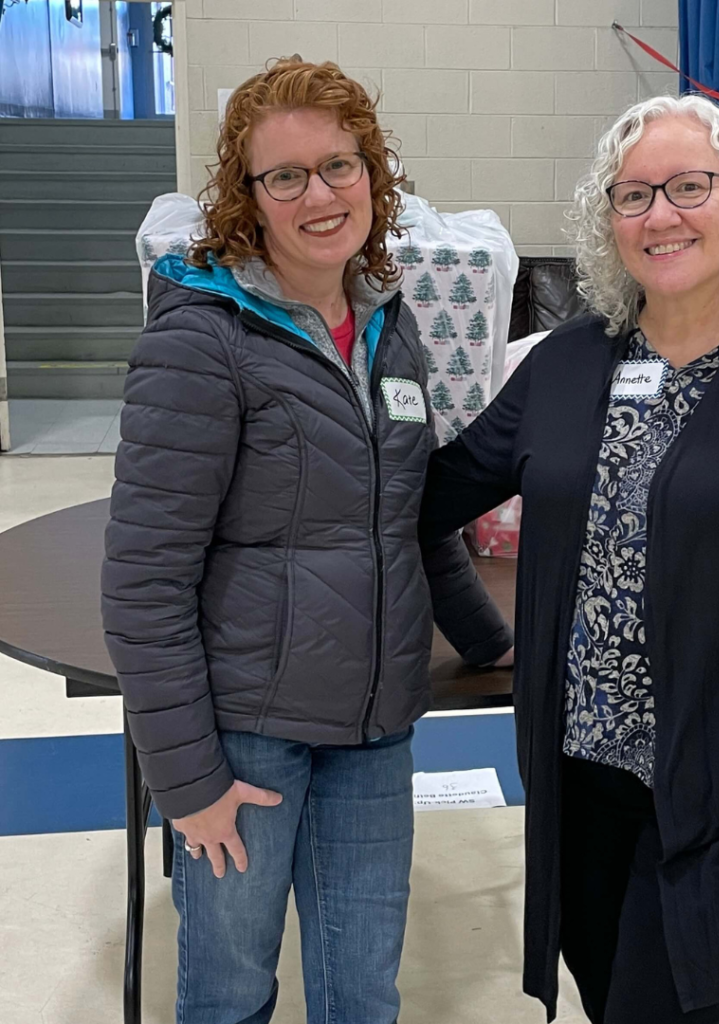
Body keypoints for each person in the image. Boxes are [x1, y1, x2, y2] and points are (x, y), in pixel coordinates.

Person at [420, 93, 719, 1024]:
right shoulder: (567, 364)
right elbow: (428, 494)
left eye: (690, 186)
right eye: (633, 195)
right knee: (609, 992)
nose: (662, 214)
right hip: (578, 780)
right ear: (608, 223)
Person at [101, 58, 511, 1024]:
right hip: (249, 735)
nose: (319, 194)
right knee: (232, 991)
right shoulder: (200, 340)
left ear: (373, 171)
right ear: (247, 199)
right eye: (285, 176)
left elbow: (411, 515)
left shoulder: (385, 324)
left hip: (373, 726)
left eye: (339, 165)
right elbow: (144, 584)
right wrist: (188, 779)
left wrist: (492, 647)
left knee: (362, 990)